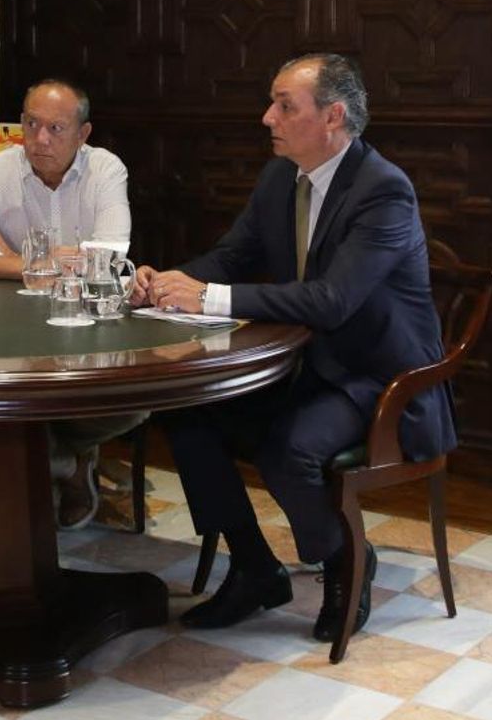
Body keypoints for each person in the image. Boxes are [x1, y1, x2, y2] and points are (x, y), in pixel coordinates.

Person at [130, 53, 450, 641]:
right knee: (188, 417)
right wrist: (166, 284)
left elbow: (330, 301)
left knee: (289, 450)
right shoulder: (282, 176)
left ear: (332, 116)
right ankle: (255, 570)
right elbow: (232, 257)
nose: (266, 117)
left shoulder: (384, 191)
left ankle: (346, 558)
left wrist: (209, 299)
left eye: (284, 105)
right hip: (309, 366)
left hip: (376, 379)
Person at [0, 79, 145, 529]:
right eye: (31, 124)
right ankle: (66, 465)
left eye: (56, 128)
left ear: (83, 133)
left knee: (134, 400)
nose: (39, 140)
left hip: (89, 325)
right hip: (11, 323)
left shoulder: (106, 170)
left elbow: (108, 258)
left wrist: (9, 256)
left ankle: (58, 459)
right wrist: (46, 262)